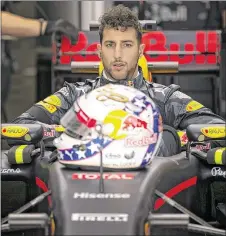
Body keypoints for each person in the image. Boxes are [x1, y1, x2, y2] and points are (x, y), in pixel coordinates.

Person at [12, 4, 225, 156]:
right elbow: (21, 127)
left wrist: (174, 138)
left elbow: (217, 129)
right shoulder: (74, 95)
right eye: (110, 45)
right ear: (99, 50)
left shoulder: (165, 98)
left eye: (127, 45)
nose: (118, 54)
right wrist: (66, 135)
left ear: (140, 50)